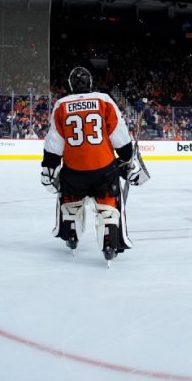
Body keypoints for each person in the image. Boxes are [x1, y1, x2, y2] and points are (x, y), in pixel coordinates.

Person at [40, 67, 148, 263]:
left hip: (74, 171)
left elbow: (54, 142)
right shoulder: (104, 100)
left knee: (69, 200)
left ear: (71, 85)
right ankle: (109, 237)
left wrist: (48, 167)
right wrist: (127, 157)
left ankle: (71, 231)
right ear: (90, 83)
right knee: (109, 203)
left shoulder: (61, 105)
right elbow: (119, 133)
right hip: (104, 169)